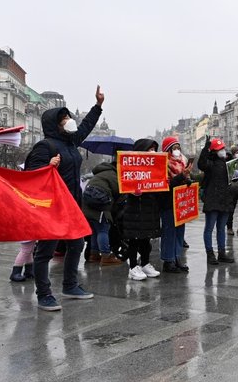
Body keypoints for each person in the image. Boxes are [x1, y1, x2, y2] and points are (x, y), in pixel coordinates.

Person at [25, 86, 104, 311]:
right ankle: (44, 293)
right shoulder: (45, 146)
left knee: (77, 244)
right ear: (54, 124)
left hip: (72, 205)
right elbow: (32, 173)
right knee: (45, 251)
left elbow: (86, 127)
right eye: (64, 119)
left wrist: (97, 106)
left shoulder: (71, 143)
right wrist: (47, 166)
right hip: (52, 207)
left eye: (68, 117)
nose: (69, 121)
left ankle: (70, 285)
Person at [116, 138, 162, 280]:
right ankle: (133, 266)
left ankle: (145, 263)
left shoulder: (156, 168)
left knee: (146, 240)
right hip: (135, 211)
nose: (153, 152)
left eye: (154, 149)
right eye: (150, 149)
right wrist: (132, 190)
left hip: (149, 209)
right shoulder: (130, 168)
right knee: (134, 240)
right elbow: (123, 185)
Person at [79, 157, 125, 267]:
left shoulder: (101, 173)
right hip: (100, 205)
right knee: (103, 229)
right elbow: (119, 192)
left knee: (95, 230)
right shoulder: (113, 175)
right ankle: (106, 256)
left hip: (87, 205)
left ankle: (94, 255)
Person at [198, 137, 235, 265]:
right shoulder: (210, 163)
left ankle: (222, 253)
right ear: (214, 151)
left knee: (221, 228)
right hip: (212, 200)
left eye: (223, 148)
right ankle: (210, 254)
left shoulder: (229, 163)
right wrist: (206, 148)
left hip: (225, 200)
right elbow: (201, 164)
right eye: (220, 149)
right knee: (209, 228)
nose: (223, 151)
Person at [159, 136, 193, 273]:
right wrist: (182, 177)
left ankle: (177, 257)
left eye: (178, 148)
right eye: (174, 148)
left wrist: (188, 180)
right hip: (167, 203)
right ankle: (168, 260)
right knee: (169, 232)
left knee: (180, 232)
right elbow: (166, 185)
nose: (177, 151)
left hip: (180, 203)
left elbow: (181, 180)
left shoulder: (181, 163)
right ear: (168, 150)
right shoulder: (163, 164)